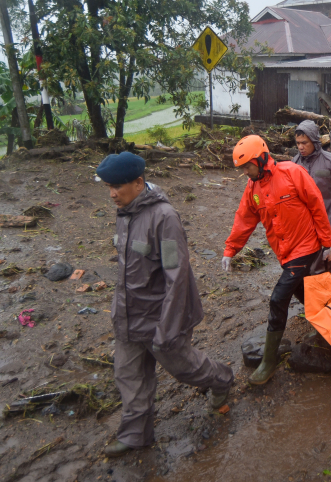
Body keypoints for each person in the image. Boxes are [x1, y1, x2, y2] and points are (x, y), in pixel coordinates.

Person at [98, 152, 233, 458]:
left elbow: (177, 275)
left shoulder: (164, 218)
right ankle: (136, 435)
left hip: (159, 317)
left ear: (139, 183)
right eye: (108, 187)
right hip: (128, 317)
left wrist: (169, 326)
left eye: (117, 187)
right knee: (129, 376)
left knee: (185, 368)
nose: (112, 194)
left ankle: (222, 379)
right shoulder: (124, 214)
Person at [223, 135, 331, 385]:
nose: (245, 173)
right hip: (285, 252)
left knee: (279, 297)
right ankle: (328, 325)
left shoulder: (291, 172)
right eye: (242, 169)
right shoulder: (252, 189)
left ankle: (269, 362)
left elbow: (317, 204)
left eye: (247, 167)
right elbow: (244, 220)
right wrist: (230, 250)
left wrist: (326, 242)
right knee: (302, 291)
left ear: (261, 159)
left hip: (306, 246)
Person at [292, 120, 331, 260]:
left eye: (304, 143)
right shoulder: (294, 163)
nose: (301, 147)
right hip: (303, 228)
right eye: (298, 143)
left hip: (328, 225)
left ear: (314, 140)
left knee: (324, 268)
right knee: (305, 269)